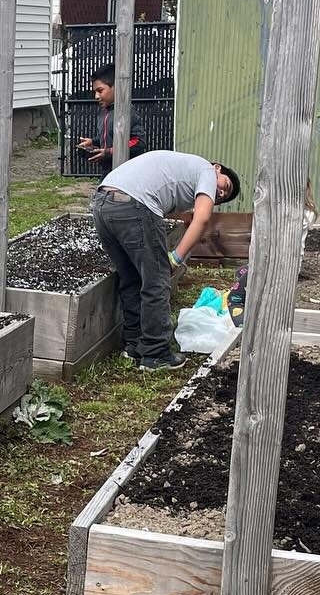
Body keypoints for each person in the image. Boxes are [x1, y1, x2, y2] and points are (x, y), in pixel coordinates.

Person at [90, 149, 241, 372]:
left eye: (223, 198)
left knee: (131, 277)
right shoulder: (206, 171)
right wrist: (175, 258)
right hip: (134, 203)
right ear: (217, 167)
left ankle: (134, 345)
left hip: (103, 203)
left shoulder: (183, 168)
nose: (220, 194)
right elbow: (202, 219)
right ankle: (155, 352)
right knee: (156, 281)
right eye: (224, 186)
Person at [77, 64, 144, 174]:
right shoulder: (104, 113)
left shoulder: (127, 112)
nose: (96, 96)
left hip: (126, 172)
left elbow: (139, 142)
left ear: (115, 87)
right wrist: (92, 142)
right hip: (107, 171)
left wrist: (109, 152)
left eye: (100, 90)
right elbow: (107, 137)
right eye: (95, 92)